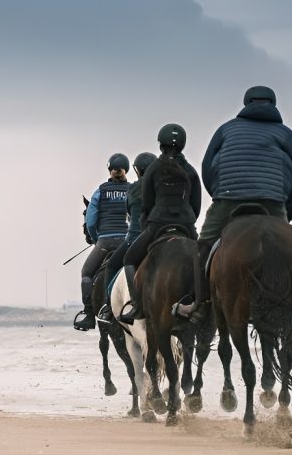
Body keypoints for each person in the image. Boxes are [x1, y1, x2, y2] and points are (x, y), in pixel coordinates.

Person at [173, 85, 292, 321]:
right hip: (273, 200)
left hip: (228, 198)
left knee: (203, 244)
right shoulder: (285, 133)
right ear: (273, 104)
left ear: (245, 103)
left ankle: (200, 303)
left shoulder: (226, 129)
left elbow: (207, 166)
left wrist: (219, 193)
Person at [117, 124, 201, 324]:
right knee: (204, 261)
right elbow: (196, 205)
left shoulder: (153, 169)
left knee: (128, 259)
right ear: (182, 144)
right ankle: (204, 304)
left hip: (157, 225)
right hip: (186, 225)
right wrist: (187, 220)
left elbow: (147, 203)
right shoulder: (190, 170)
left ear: (161, 144)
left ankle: (137, 305)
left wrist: (150, 221)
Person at [96, 151, 157, 324]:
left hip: (135, 237)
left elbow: (129, 214)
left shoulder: (134, 188)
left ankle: (110, 306)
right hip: (162, 234)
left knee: (114, 266)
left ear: (137, 171)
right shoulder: (159, 185)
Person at [73, 153, 131, 331]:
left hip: (105, 242)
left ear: (109, 170)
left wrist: (96, 238)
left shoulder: (100, 191)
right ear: (126, 170)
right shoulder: (133, 190)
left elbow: (90, 220)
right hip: (127, 242)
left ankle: (89, 314)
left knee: (86, 273)